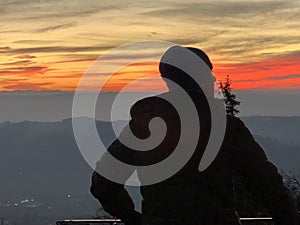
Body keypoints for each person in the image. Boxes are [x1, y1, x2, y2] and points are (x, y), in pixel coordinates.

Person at [90, 46, 299, 225]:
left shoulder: (143, 127)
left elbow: (104, 183)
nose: (213, 78)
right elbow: (266, 184)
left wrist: (134, 218)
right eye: (208, 72)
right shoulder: (226, 128)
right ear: (198, 78)